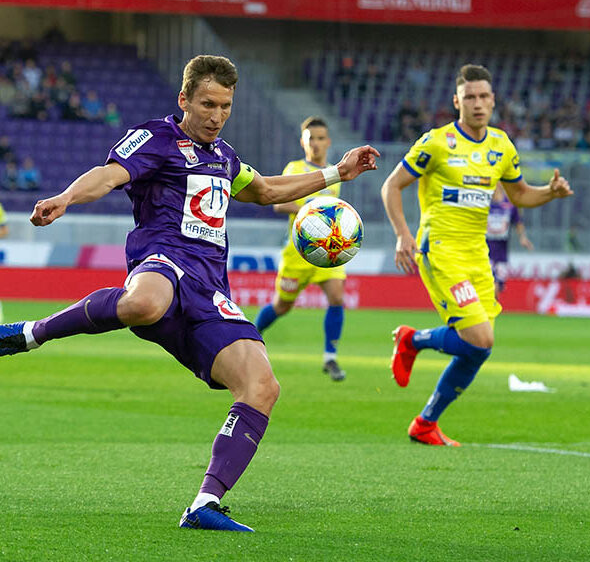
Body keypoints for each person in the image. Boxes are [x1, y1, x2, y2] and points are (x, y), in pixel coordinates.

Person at [0, 55, 379, 531]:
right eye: (207, 104)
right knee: (144, 302)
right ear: (184, 100)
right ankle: (29, 334)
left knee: (262, 387)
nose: (216, 115)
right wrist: (66, 197)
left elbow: (264, 191)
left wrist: (337, 174)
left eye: (225, 106)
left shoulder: (226, 157)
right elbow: (108, 174)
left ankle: (204, 504)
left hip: (210, 289)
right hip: (161, 260)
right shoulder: (156, 138)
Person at [381, 64, 572, 446]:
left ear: (493, 100)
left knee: (479, 350)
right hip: (440, 251)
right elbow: (391, 186)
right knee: (479, 337)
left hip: (477, 256)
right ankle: (412, 340)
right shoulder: (436, 143)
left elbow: (519, 195)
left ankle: (425, 423)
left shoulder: (501, 145)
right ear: (457, 101)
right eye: (470, 97)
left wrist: (549, 192)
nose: (478, 103)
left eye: (484, 96)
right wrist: (404, 235)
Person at [254, 116, 350, 382]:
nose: (316, 144)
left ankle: (330, 356)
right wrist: (312, 212)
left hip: (328, 251)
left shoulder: (334, 174)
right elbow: (279, 204)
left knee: (337, 297)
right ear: (303, 142)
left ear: (328, 142)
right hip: (298, 252)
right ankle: (250, 335)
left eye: (321, 139)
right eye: (311, 139)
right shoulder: (294, 168)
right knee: (282, 306)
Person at [487, 183, 534, 297]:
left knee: (498, 288)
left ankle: (490, 312)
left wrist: (523, 238)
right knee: (488, 285)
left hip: (501, 253)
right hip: (484, 251)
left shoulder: (510, 205)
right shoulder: (483, 203)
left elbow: (518, 222)